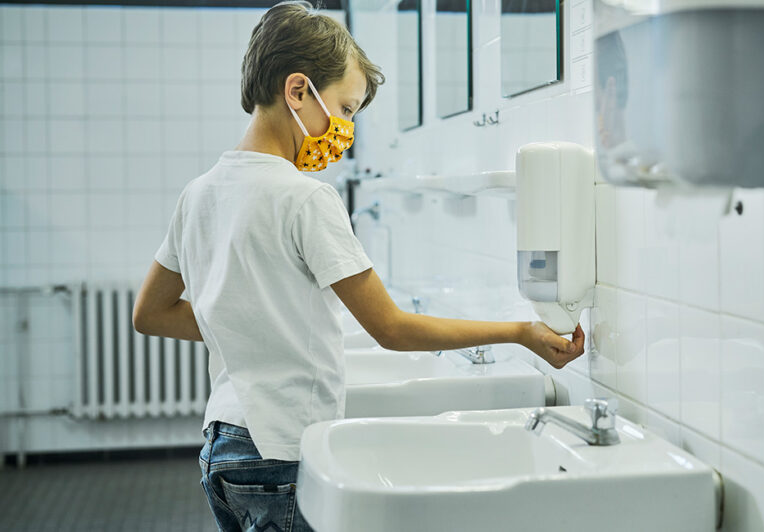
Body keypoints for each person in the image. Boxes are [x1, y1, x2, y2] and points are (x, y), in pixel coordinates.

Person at [130, 2, 585, 530]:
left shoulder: (199, 193)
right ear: (297, 91)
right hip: (282, 449)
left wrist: (243, 320)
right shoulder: (305, 198)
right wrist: (520, 332)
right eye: (345, 109)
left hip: (222, 446)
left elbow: (151, 313)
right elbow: (391, 329)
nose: (345, 128)